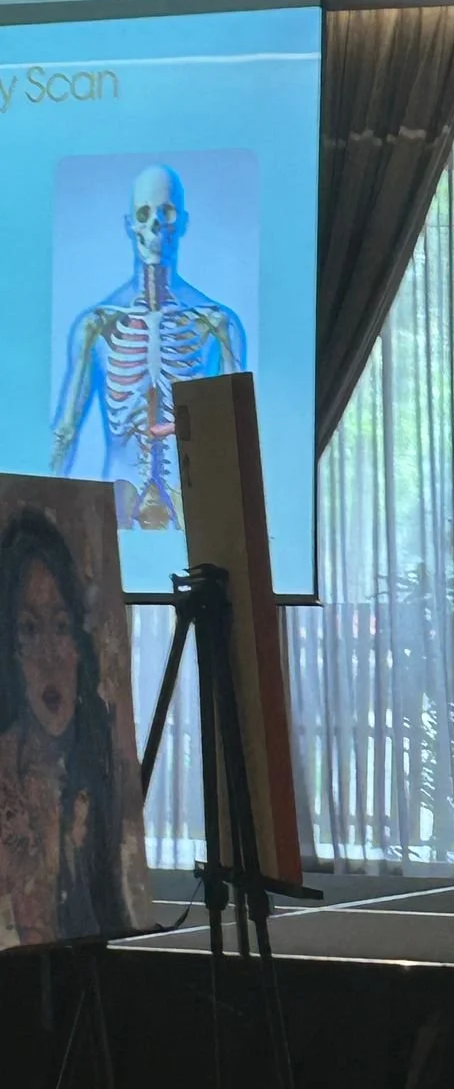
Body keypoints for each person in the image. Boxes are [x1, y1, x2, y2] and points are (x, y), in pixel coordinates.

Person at [50, 164, 247, 530]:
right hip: (119, 496)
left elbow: (234, 435)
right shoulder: (96, 325)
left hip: (189, 498)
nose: (155, 226)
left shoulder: (217, 325)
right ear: (131, 225)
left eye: (166, 214)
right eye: (144, 215)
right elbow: (66, 429)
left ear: (182, 223)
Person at [0, 509, 130, 947]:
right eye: (29, 629)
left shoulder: (97, 766)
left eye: (60, 627)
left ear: (79, 643)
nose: (50, 656)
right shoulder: (7, 777)